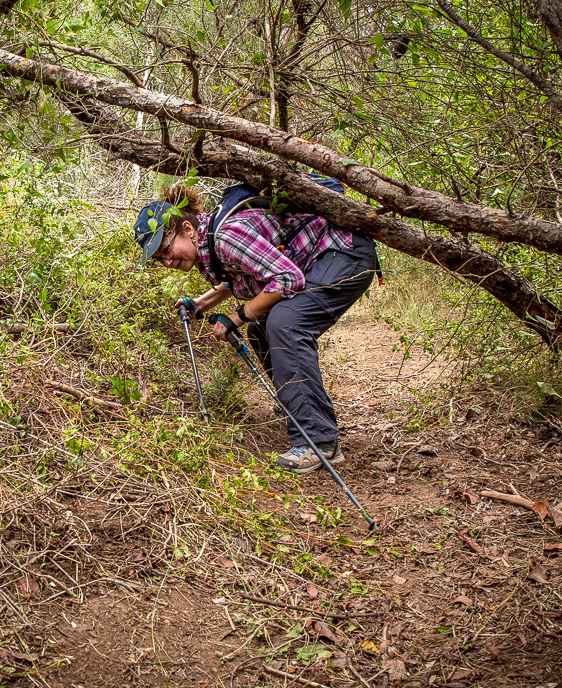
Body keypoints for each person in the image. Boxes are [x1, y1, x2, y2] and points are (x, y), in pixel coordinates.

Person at [133, 181, 378, 474]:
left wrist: (236, 317)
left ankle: (318, 442)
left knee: (285, 323)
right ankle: (298, 405)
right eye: (159, 259)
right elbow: (243, 275)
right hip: (324, 259)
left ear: (187, 229)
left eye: (165, 249)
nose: (166, 260)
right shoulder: (210, 244)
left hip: (344, 252)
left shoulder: (226, 237)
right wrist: (201, 304)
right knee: (261, 328)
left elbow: (288, 279)